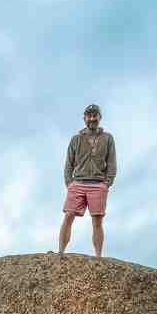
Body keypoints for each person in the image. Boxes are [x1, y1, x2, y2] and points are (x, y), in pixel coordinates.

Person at [57, 103, 117, 257]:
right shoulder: (76, 139)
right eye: (89, 116)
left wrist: (107, 183)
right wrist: (69, 183)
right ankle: (61, 252)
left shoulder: (108, 138)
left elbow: (111, 162)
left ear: (99, 117)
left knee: (97, 221)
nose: (92, 118)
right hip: (78, 183)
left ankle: (98, 257)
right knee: (68, 215)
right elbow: (68, 163)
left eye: (95, 115)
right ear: (84, 118)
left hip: (98, 184)